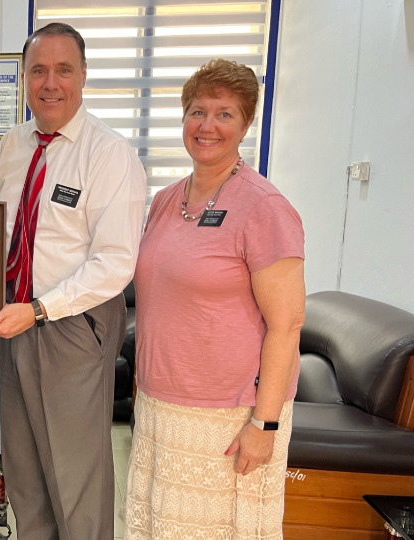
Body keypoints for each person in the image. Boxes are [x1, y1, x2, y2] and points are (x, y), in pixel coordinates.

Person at [0, 23, 147, 539]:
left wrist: (42, 308)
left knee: (76, 478)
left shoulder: (108, 153)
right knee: (25, 474)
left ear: (84, 76)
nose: (50, 83)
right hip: (15, 321)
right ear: (25, 78)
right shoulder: (11, 145)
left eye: (63, 70)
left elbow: (116, 261)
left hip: (72, 326)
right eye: (38, 71)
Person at [123, 59, 305, 540]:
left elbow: (287, 325)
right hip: (163, 408)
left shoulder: (264, 207)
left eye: (224, 114)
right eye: (197, 111)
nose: (207, 126)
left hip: (229, 417)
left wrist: (263, 426)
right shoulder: (165, 200)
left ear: (246, 124)